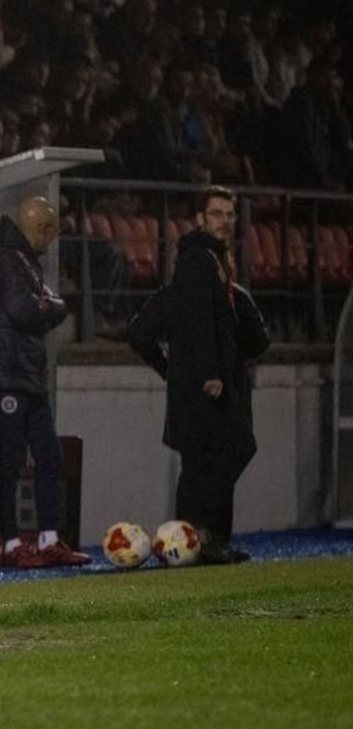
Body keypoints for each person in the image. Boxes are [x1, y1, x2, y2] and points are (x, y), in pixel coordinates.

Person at [128, 187, 269, 564]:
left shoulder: (207, 260)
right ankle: (200, 535)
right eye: (217, 213)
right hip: (207, 384)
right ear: (201, 219)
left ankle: (196, 540)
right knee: (234, 449)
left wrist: (172, 372)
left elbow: (147, 330)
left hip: (197, 382)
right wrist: (211, 371)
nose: (225, 220)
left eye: (230, 214)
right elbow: (201, 322)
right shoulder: (199, 260)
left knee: (200, 463)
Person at [0, 197, 89, 568]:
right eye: (49, 230)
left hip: (30, 378)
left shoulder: (24, 260)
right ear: (40, 229)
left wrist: (46, 306)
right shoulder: (8, 260)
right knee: (10, 462)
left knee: (49, 457)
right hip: (11, 377)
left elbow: (49, 305)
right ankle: (11, 542)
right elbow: (22, 309)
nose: (51, 240)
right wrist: (49, 307)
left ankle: (49, 538)